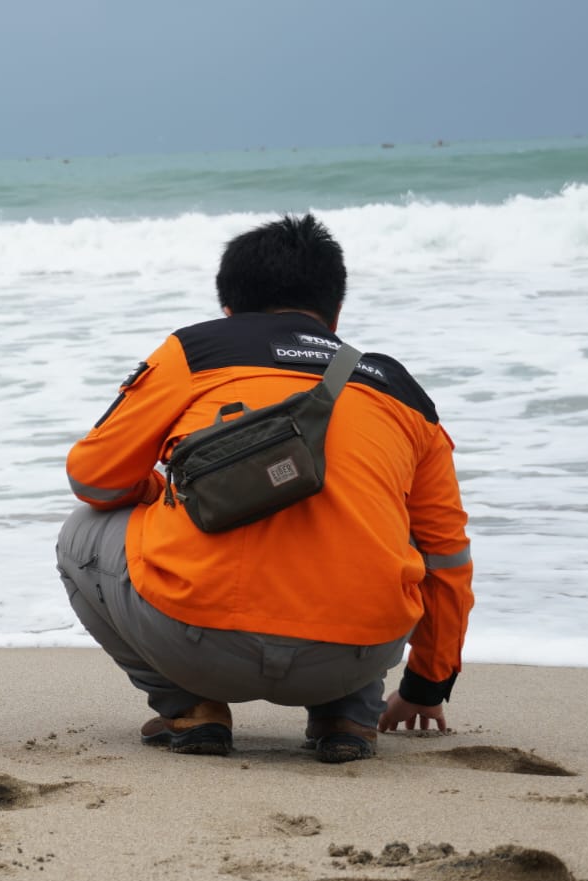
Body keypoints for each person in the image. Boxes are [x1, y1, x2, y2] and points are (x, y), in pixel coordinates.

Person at [56, 215, 473, 763]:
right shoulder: (399, 390)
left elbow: (93, 478)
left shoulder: (197, 351)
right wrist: (425, 684)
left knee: (79, 535)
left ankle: (191, 708)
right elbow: (446, 555)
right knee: (395, 528)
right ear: (336, 312)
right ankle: (347, 715)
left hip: (198, 643)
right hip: (358, 653)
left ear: (228, 307)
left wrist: (160, 492)